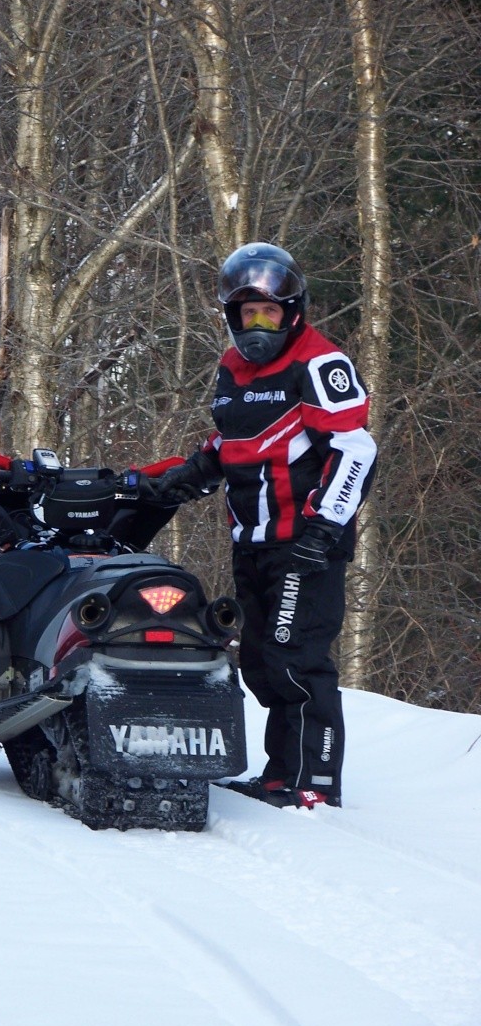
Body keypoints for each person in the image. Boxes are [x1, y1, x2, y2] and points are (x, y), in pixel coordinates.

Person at [157, 242, 377, 809]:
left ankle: (316, 784)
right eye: (247, 313)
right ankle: (281, 776)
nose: (258, 324)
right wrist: (189, 476)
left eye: (269, 312)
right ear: (232, 317)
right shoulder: (233, 369)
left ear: (292, 310)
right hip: (251, 542)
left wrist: (325, 528)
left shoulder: (319, 362)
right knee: (258, 661)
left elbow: (355, 448)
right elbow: (234, 440)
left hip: (304, 543)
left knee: (296, 659)